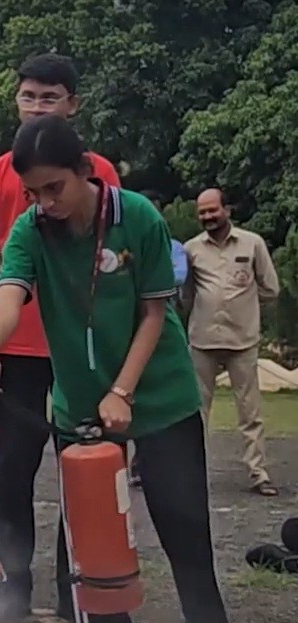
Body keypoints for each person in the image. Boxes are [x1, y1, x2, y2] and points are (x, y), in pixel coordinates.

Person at [0, 115, 263, 623]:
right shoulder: (30, 233)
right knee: (94, 543)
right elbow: (8, 299)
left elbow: (152, 315)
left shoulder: (136, 216)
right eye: (33, 192)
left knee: (185, 527)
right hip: (80, 408)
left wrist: (122, 390)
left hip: (160, 395)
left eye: (54, 188)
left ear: (84, 171)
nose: (43, 203)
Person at [0, 53, 121, 623]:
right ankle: (12, 586)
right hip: (15, 353)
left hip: (77, 352)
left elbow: (110, 267)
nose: (36, 106)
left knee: (80, 469)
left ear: (72, 106)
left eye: (49, 97)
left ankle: (72, 587)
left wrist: (104, 348)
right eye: (28, 96)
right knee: (11, 471)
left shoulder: (98, 172)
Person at [184, 188, 280, 497]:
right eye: (202, 212)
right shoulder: (191, 249)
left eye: (213, 210)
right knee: (196, 411)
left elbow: (270, 289)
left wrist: (244, 308)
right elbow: (186, 294)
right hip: (203, 340)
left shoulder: (251, 243)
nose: (208, 217)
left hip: (242, 339)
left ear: (227, 209)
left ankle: (258, 473)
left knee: (250, 412)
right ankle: (192, 473)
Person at [126, 191, 188, 489]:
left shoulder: (172, 246)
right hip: (126, 334)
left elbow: (177, 275)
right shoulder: (121, 246)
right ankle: (137, 463)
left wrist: (148, 274)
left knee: (166, 410)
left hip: (162, 334)